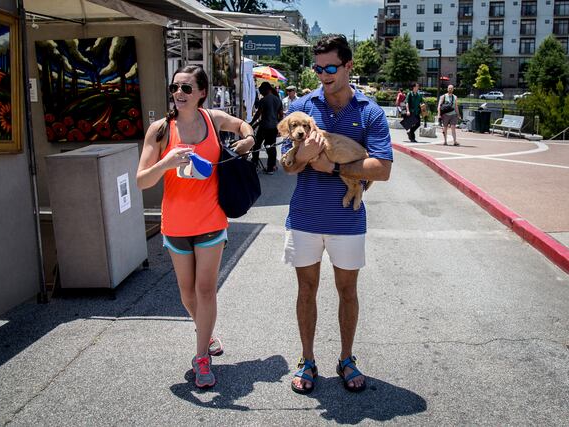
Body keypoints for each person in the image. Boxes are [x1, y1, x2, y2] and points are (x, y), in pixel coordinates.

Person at [280, 35, 392, 394]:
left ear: (348, 67)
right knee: (306, 290)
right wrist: (302, 155)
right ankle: (307, 359)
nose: (323, 75)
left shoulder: (370, 112)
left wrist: (330, 166)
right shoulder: (302, 107)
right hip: (305, 218)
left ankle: (346, 358)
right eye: (318, 68)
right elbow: (288, 167)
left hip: (346, 221)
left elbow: (383, 169)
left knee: (347, 291)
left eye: (330, 67)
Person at [136, 65, 255, 389]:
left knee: (205, 290)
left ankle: (201, 356)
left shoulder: (212, 119)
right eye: (175, 88)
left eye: (187, 88)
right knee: (187, 294)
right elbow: (141, 180)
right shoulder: (160, 130)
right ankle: (207, 331)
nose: (179, 94)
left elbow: (243, 125)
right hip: (175, 224)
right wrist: (166, 162)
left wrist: (247, 138)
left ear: (202, 92)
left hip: (211, 221)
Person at [250, 81, 283, 175]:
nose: (260, 93)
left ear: (266, 89)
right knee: (271, 147)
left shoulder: (264, 100)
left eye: (261, 91)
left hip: (264, 126)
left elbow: (258, 114)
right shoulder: (277, 100)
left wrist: (252, 123)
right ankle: (271, 168)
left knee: (256, 145)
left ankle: (255, 164)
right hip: (273, 127)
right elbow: (281, 116)